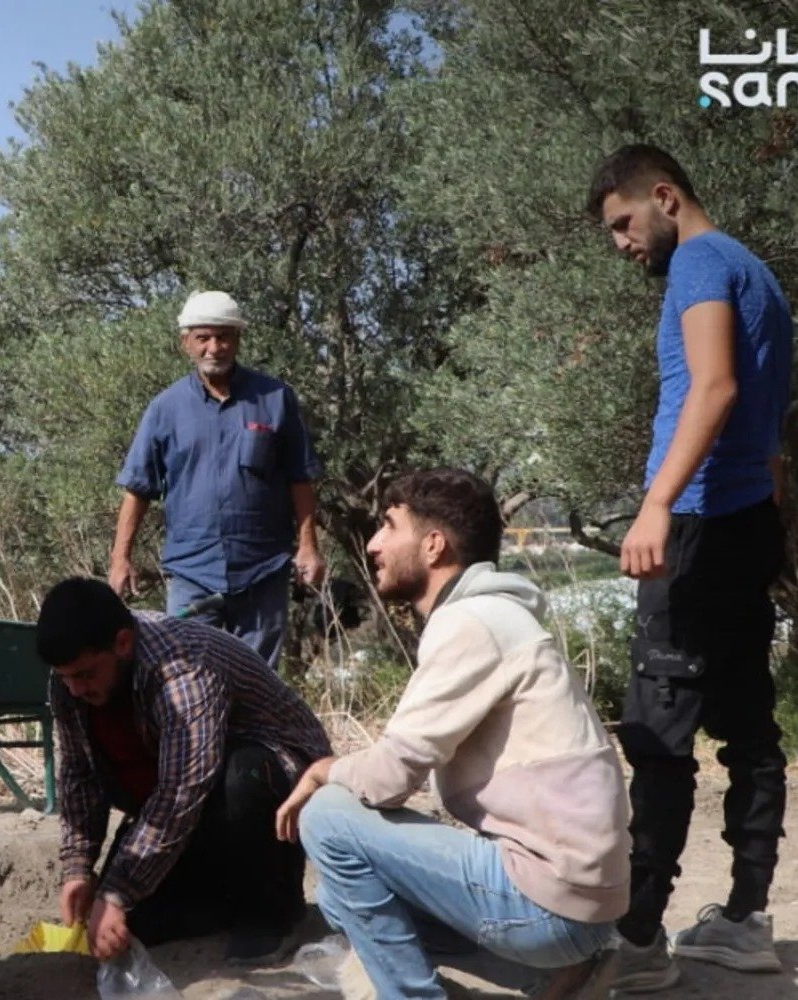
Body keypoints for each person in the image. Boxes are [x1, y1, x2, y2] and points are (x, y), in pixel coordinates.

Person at [280, 468, 629, 1000]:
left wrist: (322, 771)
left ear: (434, 545)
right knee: (337, 899)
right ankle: (565, 973)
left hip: (551, 904)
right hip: (582, 903)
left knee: (328, 816)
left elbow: (390, 778)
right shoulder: (497, 616)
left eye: (389, 526)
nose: (372, 544)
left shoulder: (471, 623)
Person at [586, 144, 792, 992]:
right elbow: (766, 418)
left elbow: (714, 389)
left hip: (699, 530)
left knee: (659, 734)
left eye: (624, 223)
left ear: (665, 196)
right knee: (750, 729)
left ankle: (638, 941)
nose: (622, 244)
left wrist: (657, 506)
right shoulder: (758, 273)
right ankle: (744, 920)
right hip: (745, 525)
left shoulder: (701, 264)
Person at [38, 577, 331, 966]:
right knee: (131, 928)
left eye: (86, 675)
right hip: (189, 802)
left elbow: (182, 790)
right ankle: (225, 899)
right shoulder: (72, 682)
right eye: (66, 677)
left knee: (243, 775)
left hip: (275, 783)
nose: (75, 690)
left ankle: (273, 910)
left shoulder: (186, 666)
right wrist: (79, 868)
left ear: (122, 643)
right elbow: (80, 773)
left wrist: (117, 891)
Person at [110, 290, 325, 670]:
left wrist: (309, 547)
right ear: (186, 343)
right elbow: (138, 489)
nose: (214, 347)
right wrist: (120, 559)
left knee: (257, 681)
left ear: (237, 339)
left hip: (263, 569)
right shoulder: (165, 408)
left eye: (223, 337)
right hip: (191, 571)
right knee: (186, 676)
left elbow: (300, 479)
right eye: (203, 338)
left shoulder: (276, 399)